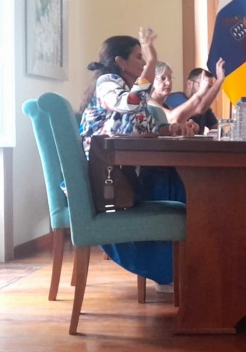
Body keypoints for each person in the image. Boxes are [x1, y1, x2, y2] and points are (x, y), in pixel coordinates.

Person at [78, 28, 192, 293]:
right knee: (169, 181)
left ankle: (184, 266)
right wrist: (152, 63)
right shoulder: (107, 83)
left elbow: (149, 126)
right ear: (120, 62)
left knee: (180, 181)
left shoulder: (133, 90)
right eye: (138, 57)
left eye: (143, 58)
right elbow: (126, 105)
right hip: (108, 179)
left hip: (130, 169)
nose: (143, 62)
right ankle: (167, 272)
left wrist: (173, 129)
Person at [151, 61, 225, 134]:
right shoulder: (152, 101)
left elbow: (176, 124)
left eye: (170, 78)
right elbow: (173, 118)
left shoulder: (166, 106)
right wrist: (219, 81)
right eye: (162, 78)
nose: (168, 82)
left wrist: (189, 126)